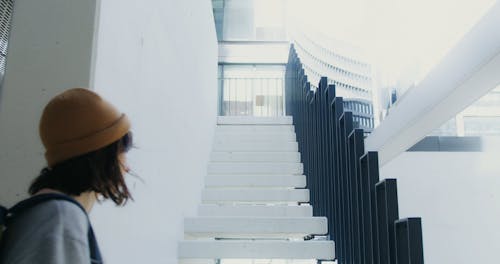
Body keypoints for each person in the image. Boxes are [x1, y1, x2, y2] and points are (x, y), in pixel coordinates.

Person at [0, 88, 132, 264]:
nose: (127, 167)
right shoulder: (61, 218)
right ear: (101, 156)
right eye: (122, 151)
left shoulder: (45, 213)